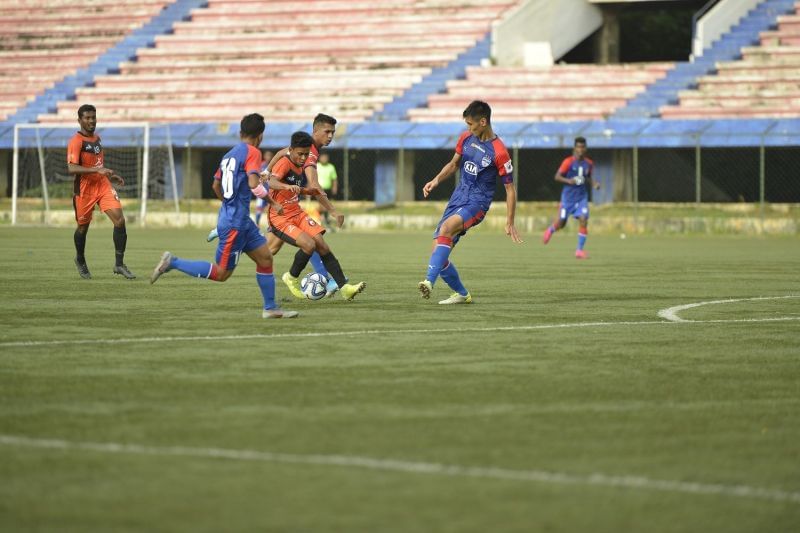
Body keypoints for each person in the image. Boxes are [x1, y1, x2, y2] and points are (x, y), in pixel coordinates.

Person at [149, 113, 298, 319]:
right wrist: (271, 201)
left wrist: (229, 204)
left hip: (241, 221)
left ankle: (270, 308)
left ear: (240, 133)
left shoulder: (229, 154)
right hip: (235, 224)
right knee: (221, 273)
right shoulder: (253, 152)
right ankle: (173, 262)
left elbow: (215, 185)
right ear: (260, 135)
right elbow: (254, 184)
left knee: (265, 258)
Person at [418, 100, 523, 304]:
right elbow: (453, 164)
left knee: (446, 229)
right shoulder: (466, 138)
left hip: (477, 203)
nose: (468, 128)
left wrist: (509, 221)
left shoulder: (499, 151)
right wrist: (436, 180)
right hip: (458, 198)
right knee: (438, 253)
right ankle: (462, 294)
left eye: (471, 124)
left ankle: (428, 282)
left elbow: (510, 189)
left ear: (483, 122)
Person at [267, 131, 365, 301]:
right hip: (280, 217)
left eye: (306, 154)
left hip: (296, 212)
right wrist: (285, 186)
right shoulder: (284, 163)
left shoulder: (298, 161)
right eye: (300, 154)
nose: (304, 158)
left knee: (321, 244)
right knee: (308, 245)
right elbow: (271, 182)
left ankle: (344, 287)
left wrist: (307, 191)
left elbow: (294, 186)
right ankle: (290, 277)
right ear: (291, 150)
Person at [264, 113, 345, 297]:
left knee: (273, 249)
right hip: (281, 210)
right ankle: (327, 279)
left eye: (333, 132)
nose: (331, 136)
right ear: (316, 130)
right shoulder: (310, 153)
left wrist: (267, 170)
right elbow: (314, 184)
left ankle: (329, 279)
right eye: (327, 132)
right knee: (304, 243)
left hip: (290, 208)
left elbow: (280, 152)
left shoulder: (303, 146)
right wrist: (333, 211)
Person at [67, 104, 135, 280]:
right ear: (79, 120)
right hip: (84, 189)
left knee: (120, 221)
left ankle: (119, 264)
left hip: (103, 186)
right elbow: (71, 167)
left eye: (93, 117)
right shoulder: (76, 141)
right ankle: (80, 258)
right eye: (87, 118)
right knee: (83, 227)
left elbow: (98, 166)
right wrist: (97, 171)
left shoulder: (97, 138)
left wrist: (108, 176)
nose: (91, 121)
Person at [541, 136, 601, 259]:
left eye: (583, 147)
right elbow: (557, 176)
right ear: (575, 148)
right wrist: (569, 181)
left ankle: (579, 250)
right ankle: (551, 230)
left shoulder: (589, 163)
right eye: (578, 147)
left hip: (581, 197)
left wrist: (594, 183)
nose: (581, 149)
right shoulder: (568, 162)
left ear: (585, 148)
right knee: (561, 223)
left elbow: (588, 177)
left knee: (584, 219)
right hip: (568, 198)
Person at [206, 148, 274, 242]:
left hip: (230, 199)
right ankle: (258, 233)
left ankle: (220, 230)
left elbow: (215, 185)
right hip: (245, 198)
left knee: (234, 220)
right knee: (242, 222)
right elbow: (254, 183)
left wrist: (224, 201)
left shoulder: (226, 160)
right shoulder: (253, 161)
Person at [315, 152, 338, 228]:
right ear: (320, 158)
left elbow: (334, 179)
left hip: (327, 189)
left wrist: (334, 187)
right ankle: (324, 221)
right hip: (318, 189)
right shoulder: (317, 166)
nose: (324, 159)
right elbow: (312, 177)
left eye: (325, 157)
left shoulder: (331, 167)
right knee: (322, 206)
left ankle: (322, 221)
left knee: (325, 206)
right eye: (323, 157)